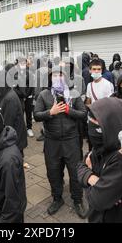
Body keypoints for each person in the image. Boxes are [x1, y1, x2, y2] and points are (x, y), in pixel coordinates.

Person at [34, 66, 87, 218]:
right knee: (53, 171)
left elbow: (83, 114)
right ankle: (57, 198)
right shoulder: (44, 95)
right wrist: (50, 112)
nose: (57, 77)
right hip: (52, 141)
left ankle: (77, 199)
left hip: (71, 140)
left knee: (75, 172)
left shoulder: (74, 94)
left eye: (60, 75)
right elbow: (36, 115)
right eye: (54, 75)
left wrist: (68, 110)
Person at [77, 98, 122, 223]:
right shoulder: (99, 147)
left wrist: (89, 179)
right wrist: (94, 180)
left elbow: (98, 200)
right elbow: (79, 166)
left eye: (97, 124)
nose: (91, 127)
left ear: (112, 125)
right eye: (90, 121)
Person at [0, 67, 28, 155]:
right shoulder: (4, 95)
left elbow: (8, 123)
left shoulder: (9, 98)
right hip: (11, 141)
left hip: (14, 142)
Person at [85, 59, 114, 148]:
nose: (96, 71)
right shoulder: (89, 85)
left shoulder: (107, 84)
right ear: (90, 70)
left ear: (102, 70)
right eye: (94, 69)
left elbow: (110, 103)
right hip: (92, 119)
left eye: (99, 69)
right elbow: (88, 101)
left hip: (104, 120)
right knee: (92, 146)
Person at [14, 57, 35, 138]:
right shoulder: (15, 74)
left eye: (24, 63)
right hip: (19, 97)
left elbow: (31, 86)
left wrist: (27, 95)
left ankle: (29, 128)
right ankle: (21, 129)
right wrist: (21, 95)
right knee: (20, 113)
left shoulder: (30, 73)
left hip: (28, 96)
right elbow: (15, 87)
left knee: (29, 113)